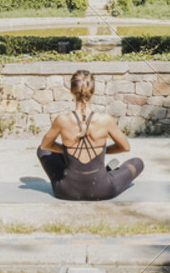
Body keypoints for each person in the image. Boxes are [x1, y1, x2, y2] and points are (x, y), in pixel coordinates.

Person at [36, 70, 145, 200]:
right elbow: (125, 147)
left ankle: (80, 166)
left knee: (42, 151)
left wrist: (68, 151)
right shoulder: (105, 120)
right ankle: (107, 171)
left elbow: (45, 145)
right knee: (137, 163)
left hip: (66, 191)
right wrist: (100, 151)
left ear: (71, 90)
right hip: (102, 189)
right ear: (92, 92)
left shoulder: (62, 120)